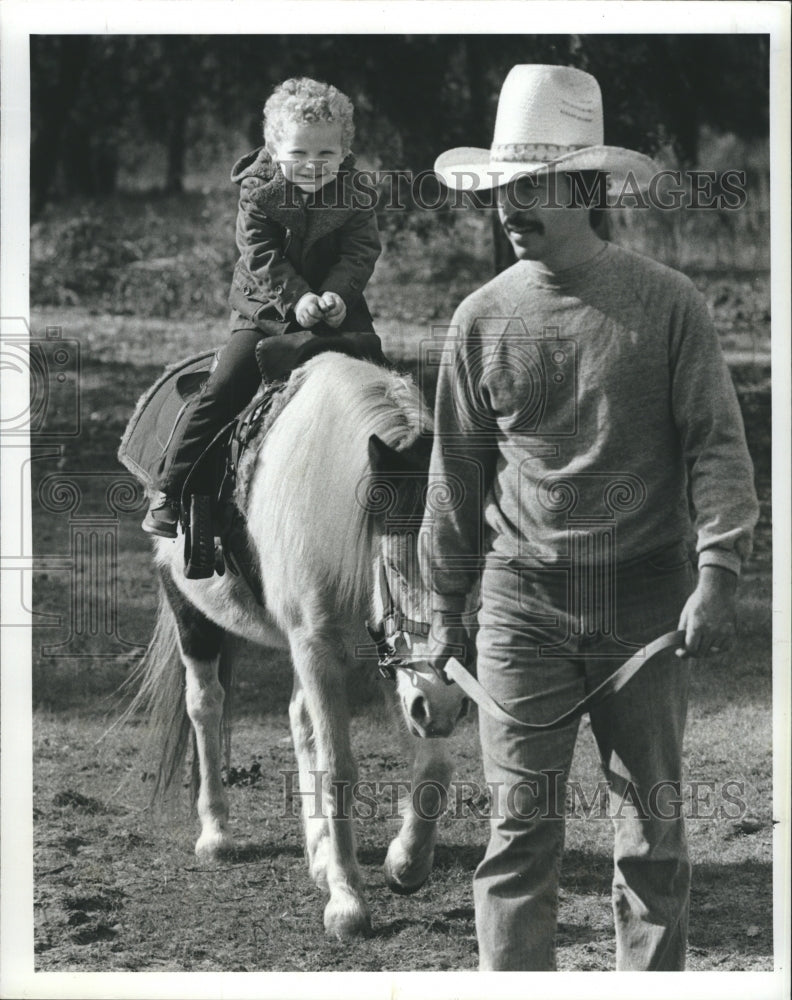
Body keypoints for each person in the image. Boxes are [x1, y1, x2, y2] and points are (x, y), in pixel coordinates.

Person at [422, 64, 759, 971]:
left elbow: (717, 448)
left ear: (590, 190)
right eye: (501, 188)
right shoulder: (480, 319)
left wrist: (719, 569)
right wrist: (439, 619)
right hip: (519, 607)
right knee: (518, 835)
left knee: (650, 837)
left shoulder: (668, 306)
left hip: (645, 608)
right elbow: (455, 477)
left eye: (532, 186)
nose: (509, 206)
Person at [143, 76, 381, 537]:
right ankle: (173, 488)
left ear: (344, 152)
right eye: (298, 154)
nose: (312, 165)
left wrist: (335, 295)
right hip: (265, 306)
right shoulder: (258, 191)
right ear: (273, 149)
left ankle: (393, 485)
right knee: (226, 385)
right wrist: (300, 299)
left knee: (378, 380)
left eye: (325, 155)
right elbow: (261, 256)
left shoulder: (357, 191)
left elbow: (359, 251)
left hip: (339, 304)